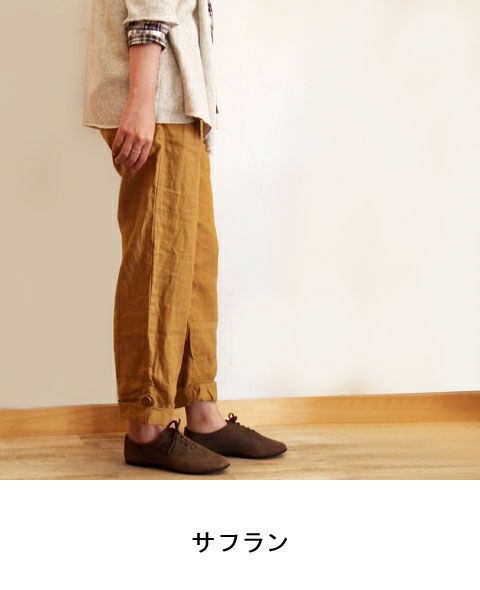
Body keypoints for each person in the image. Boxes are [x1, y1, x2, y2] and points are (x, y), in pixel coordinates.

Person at [82, 0, 287, 475]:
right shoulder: (152, 98)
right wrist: (142, 98)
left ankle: (202, 412)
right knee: (159, 266)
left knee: (193, 264)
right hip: (159, 100)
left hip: (177, 99)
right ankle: (146, 427)